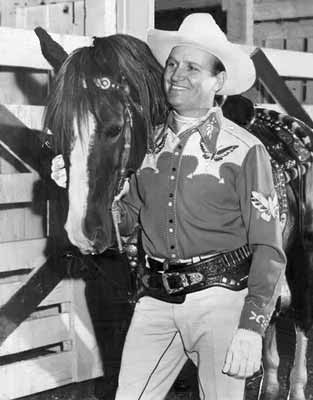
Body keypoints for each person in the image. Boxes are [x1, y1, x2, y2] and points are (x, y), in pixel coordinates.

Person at [52, 13, 286, 400]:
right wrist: (85, 184)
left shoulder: (246, 150)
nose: (176, 75)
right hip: (155, 300)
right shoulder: (144, 143)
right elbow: (126, 222)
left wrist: (251, 326)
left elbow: (269, 248)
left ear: (219, 80)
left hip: (221, 301)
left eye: (192, 67)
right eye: (173, 64)